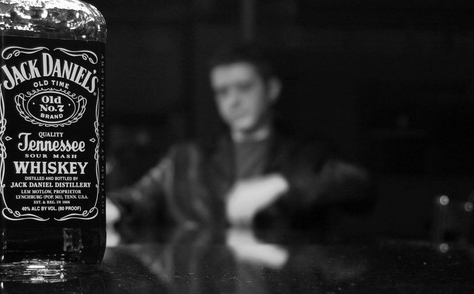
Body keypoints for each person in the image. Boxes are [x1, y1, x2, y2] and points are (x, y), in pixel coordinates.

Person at [106, 42, 373, 230]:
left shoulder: (306, 152)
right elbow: (137, 198)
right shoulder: (188, 158)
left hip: (285, 285)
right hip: (214, 284)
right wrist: (109, 208)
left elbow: (359, 184)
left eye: (244, 88)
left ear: (271, 90)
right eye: (222, 92)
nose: (233, 101)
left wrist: (284, 184)